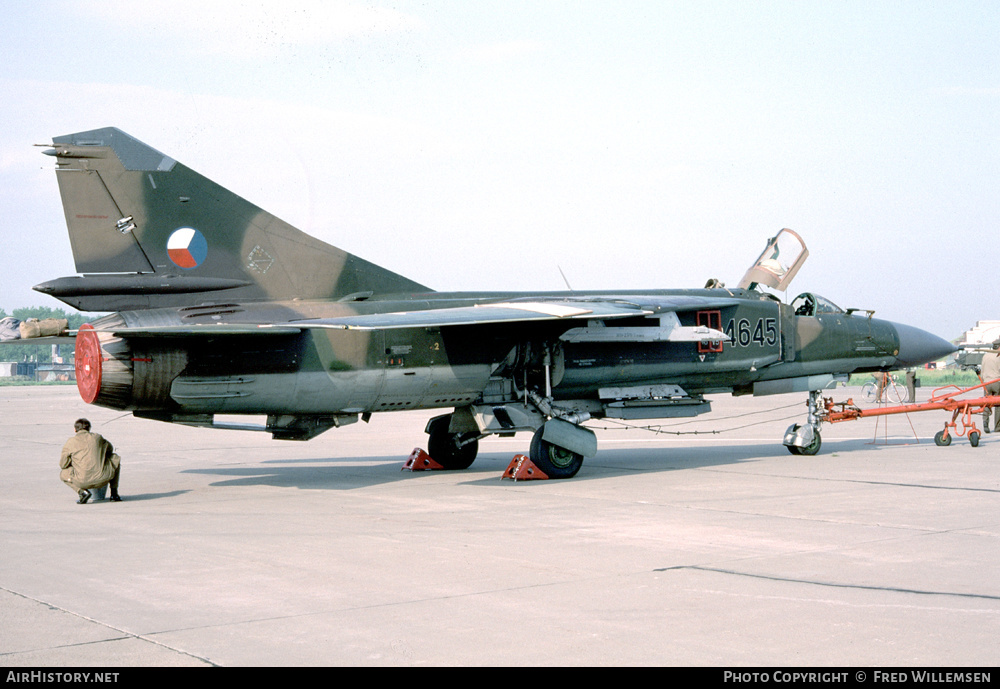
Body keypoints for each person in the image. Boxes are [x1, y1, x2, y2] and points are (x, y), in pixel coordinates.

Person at [59, 419, 121, 503]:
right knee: (115, 458)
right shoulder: (97, 437)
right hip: (103, 478)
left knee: (63, 473)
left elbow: (63, 464)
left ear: (75, 429)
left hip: (82, 481)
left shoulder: (70, 442)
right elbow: (110, 449)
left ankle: (81, 492)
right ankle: (114, 493)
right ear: (89, 428)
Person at [982, 340, 1000, 434]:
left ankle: (985, 423)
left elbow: (982, 370)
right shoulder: (999, 356)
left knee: (986, 403)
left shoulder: (986, 355)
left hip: (986, 383)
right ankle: (997, 427)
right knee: (998, 405)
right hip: (997, 382)